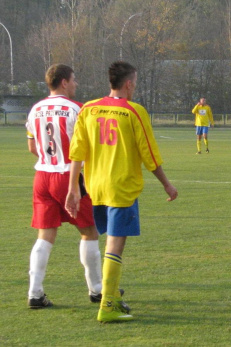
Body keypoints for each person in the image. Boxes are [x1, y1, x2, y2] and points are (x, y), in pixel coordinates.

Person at [65, 61, 178, 322]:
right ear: (128, 83)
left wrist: (73, 189)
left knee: (109, 242)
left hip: (96, 187)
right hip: (121, 187)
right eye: (135, 82)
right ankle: (107, 305)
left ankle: (113, 297)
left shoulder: (89, 109)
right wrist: (166, 184)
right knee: (115, 245)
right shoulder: (134, 111)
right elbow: (149, 154)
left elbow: (77, 152)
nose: (135, 86)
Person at [24, 64, 103, 309]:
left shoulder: (35, 109)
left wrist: (51, 158)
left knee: (45, 235)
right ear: (64, 82)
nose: (76, 83)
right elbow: (90, 147)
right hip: (70, 176)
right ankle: (97, 290)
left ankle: (35, 294)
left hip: (43, 176)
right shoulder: (77, 109)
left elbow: (32, 147)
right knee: (89, 230)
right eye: (74, 79)